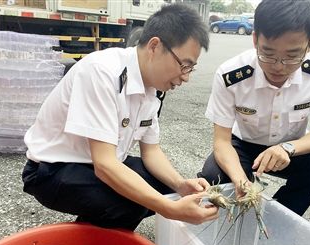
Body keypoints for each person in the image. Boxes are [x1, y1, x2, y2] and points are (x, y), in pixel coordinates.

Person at [22, 3, 219, 231]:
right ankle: (94, 240)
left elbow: (151, 151)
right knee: (132, 203)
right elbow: (105, 165)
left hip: (93, 163)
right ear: (155, 46)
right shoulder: (102, 72)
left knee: (162, 187)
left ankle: (96, 228)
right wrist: (170, 209)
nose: (186, 78)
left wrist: (180, 185)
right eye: (184, 65)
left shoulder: (151, 88)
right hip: (52, 170)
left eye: (190, 69)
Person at [198, 0, 310, 216]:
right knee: (213, 176)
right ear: (255, 39)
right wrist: (240, 180)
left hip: (291, 149)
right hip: (244, 145)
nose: (278, 66)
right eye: (268, 53)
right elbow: (221, 142)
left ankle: (279, 217)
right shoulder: (231, 75)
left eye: (292, 56)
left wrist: (288, 148)